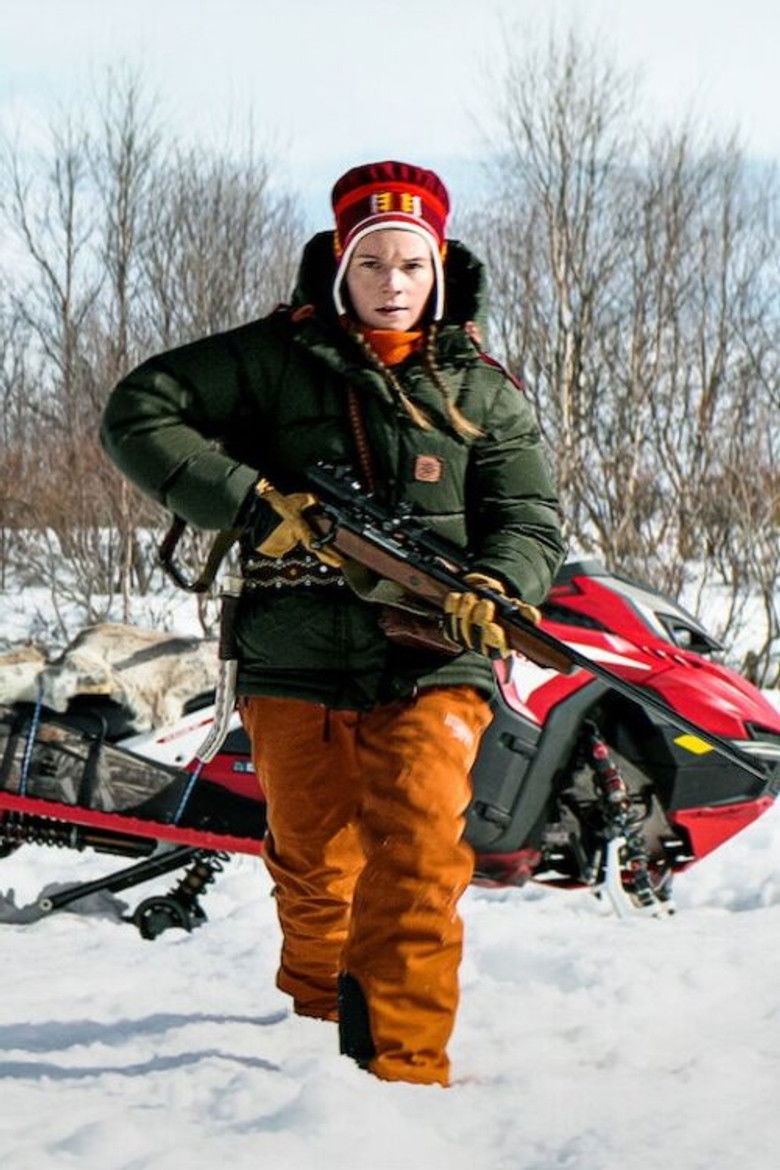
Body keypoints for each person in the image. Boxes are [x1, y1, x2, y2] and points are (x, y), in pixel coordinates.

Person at [100, 160, 565, 1087]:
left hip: (434, 656)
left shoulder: (483, 390)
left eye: (412, 265)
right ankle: (317, 1018)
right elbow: (138, 412)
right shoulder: (270, 357)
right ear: (341, 264)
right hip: (293, 652)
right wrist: (248, 499)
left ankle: (402, 1070)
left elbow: (528, 518)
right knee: (317, 862)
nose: (393, 284)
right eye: (373, 263)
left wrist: (497, 583)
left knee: (419, 855)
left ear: (439, 270)